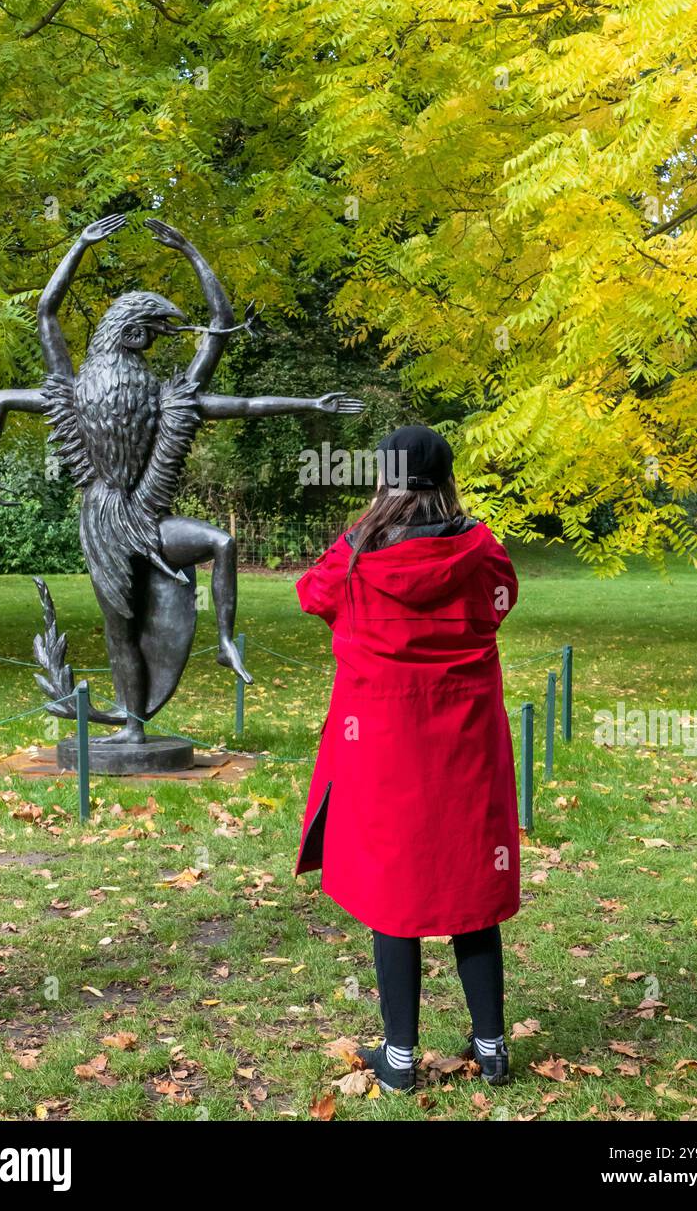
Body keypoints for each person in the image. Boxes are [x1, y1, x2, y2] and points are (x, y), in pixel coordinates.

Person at [294, 424, 520, 1092]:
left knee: (394, 899)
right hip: (466, 749)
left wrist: (357, 535)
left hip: (383, 750)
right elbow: (502, 602)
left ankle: (397, 1059)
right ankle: (492, 1047)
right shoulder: (481, 552)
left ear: (383, 478)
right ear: (447, 477)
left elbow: (311, 595)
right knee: (470, 886)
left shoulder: (356, 556)